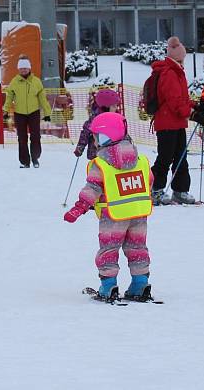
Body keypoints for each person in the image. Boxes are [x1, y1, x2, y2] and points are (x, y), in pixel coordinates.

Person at [63, 112, 154, 301]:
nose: (95, 141)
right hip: (138, 214)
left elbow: (93, 188)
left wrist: (79, 207)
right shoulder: (140, 160)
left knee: (109, 250)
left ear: (105, 137)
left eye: (96, 137)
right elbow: (149, 181)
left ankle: (108, 286)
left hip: (112, 217)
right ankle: (140, 284)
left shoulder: (101, 164)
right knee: (137, 248)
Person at [149, 36, 196, 205]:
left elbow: (182, 98)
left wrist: (195, 106)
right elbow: (174, 101)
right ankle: (155, 190)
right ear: (177, 57)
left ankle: (180, 190)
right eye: (182, 58)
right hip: (167, 123)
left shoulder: (177, 72)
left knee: (180, 157)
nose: (184, 61)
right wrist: (190, 113)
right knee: (165, 158)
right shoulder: (169, 73)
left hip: (176, 123)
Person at [1, 55, 52, 168]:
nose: (23, 70)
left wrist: (47, 113)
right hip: (19, 113)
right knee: (22, 138)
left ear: (29, 68)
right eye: (21, 68)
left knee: (35, 136)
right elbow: (9, 97)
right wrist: (5, 110)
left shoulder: (36, 82)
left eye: (25, 68)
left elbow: (42, 98)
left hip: (34, 112)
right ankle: (25, 161)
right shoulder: (14, 82)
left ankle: (35, 158)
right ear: (18, 69)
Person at [74, 88, 121, 161]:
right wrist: (80, 147)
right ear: (105, 107)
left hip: (113, 152)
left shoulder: (116, 117)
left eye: (116, 105)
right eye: (114, 106)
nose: (116, 108)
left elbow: (122, 131)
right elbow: (85, 132)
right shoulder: (95, 119)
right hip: (96, 153)